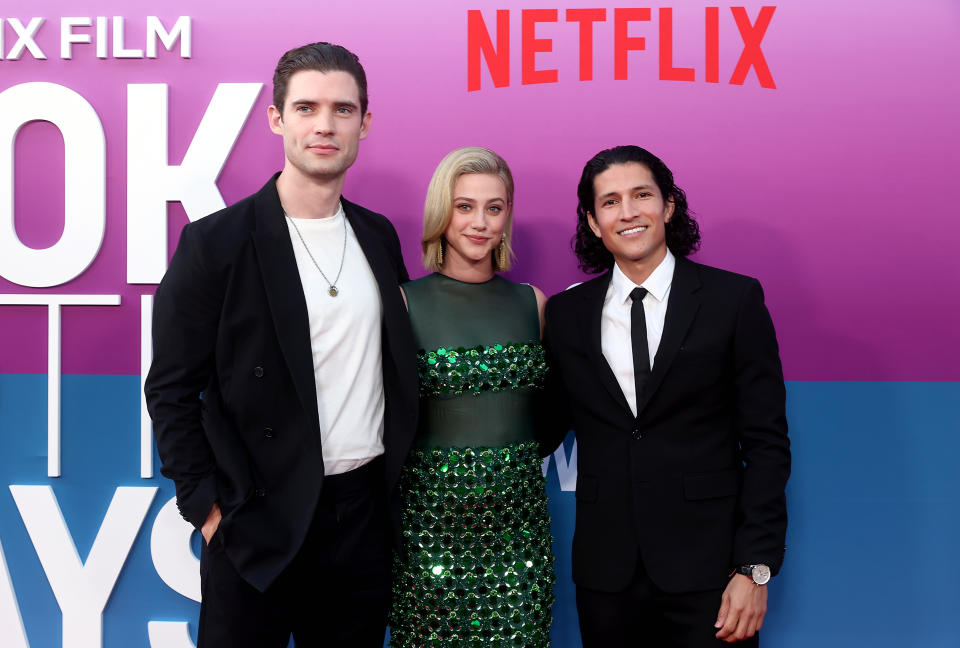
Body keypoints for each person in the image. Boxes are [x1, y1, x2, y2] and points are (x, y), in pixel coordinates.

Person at [144, 42, 417, 647]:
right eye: (307, 108)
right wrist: (209, 512)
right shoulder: (215, 243)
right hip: (258, 518)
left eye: (343, 109)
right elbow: (169, 389)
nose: (325, 125)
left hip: (362, 515)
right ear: (276, 118)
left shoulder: (377, 235)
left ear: (365, 123)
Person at [541, 145, 790, 646]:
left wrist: (755, 568)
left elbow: (766, 444)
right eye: (610, 202)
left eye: (641, 195)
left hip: (713, 574)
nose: (628, 212)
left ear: (669, 206)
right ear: (593, 221)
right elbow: (541, 428)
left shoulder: (733, 301)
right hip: (605, 576)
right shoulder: (567, 315)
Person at [389, 147, 555, 647]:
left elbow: (552, 413)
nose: (480, 222)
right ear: (442, 212)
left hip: (519, 530)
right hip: (431, 528)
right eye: (464, 206)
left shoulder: (533, 303)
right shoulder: (402, 302)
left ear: (508, 216)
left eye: (494, 207)